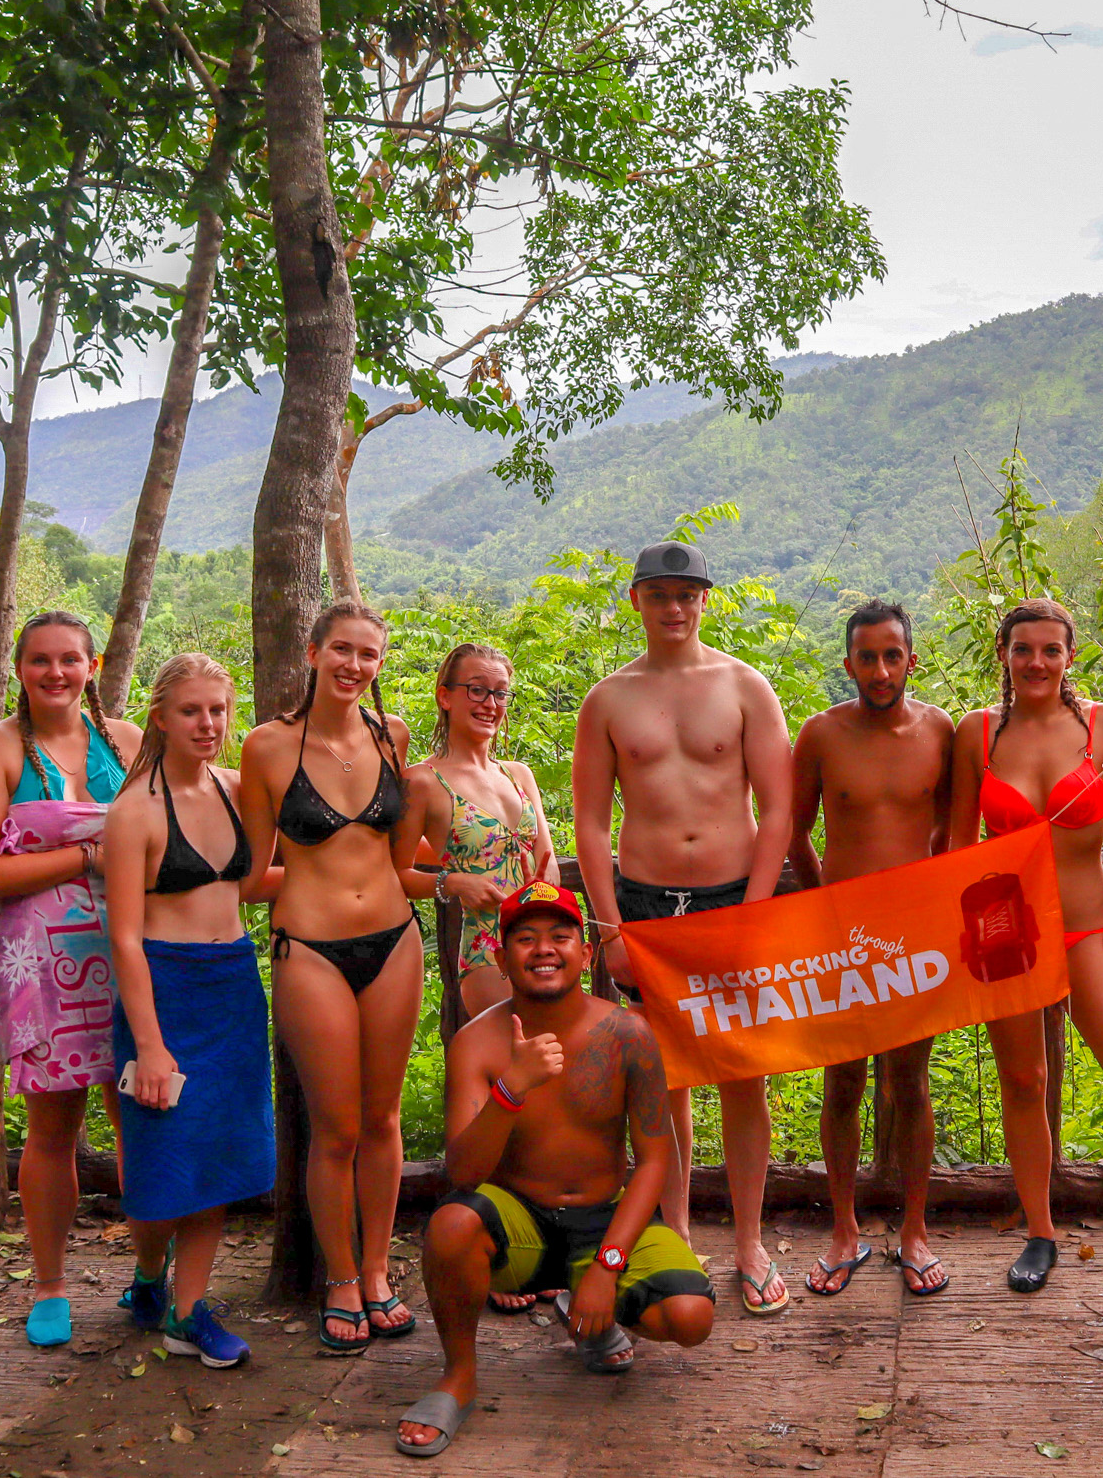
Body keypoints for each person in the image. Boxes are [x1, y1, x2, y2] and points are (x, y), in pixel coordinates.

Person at [396, 881, 715, 1458]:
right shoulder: (475, 1043)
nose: (544, 949)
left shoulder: (628, 1034)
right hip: (520, 1221)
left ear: (585, 953)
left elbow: (654, 1162)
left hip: (603, 1223)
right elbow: (464, 1175)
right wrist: (511, 1090)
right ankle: (459, 1376)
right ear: (501, 956)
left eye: (560, 936)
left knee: (690, 1317)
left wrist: (606, 1268)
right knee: (450, 1226)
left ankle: (589, 1308)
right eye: (526, 938)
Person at [947, 597, 1103, 1304]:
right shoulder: (977, 734)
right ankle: (1040, 1228)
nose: (1036, 662)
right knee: (1023, 1083)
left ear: (1070, 657)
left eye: (1050, 650)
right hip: (1005, 935)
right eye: (1023, 649)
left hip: (1088, 929)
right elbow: (956, 848)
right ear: (1003, 654)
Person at [574, 540, 793, 1314]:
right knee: (660, 1085)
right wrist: (608, 930)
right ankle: (674, 1234)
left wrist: (756, 911)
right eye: (660, 593)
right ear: (636, 599)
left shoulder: (745, 686)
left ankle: (749, 1242)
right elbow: (592, 824)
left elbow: (778, 808)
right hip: (642, 908)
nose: (674, 607)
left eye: (687, 594)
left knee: (742, 1077)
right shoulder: (608, 699)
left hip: (730, 899)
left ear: (706, 600)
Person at [239, 598, 437, 1352]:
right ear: (314, 652)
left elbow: (401, 860)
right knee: (337, 1127)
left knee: (383, 1119)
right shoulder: (267, 746)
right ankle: (341, 1279)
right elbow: (254, 873)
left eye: (370, 654)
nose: (357, 665)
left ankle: (381, 1270)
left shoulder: (394, 737)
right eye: (343, 649)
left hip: (394, 940)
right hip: (311, 948)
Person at [0, 610, 143, 1348]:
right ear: (21, 668)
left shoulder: (123, 742)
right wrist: (87, 858)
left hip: (129, 950)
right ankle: (50, 1282)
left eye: (70, 659)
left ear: (92, 666)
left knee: (137, 1115)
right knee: (53, 1128)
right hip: (38, 964)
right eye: (40, 660)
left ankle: (148, 1267)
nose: (55, 672)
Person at [104, 654, 274, 1368]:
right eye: (192, 711)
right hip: (163, 990)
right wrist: (148, 1043)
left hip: (233, 982)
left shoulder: (236, 790)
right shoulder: (134, 810)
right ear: (160, 716)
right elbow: (123, 935)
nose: (209, 724)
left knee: (221, 1161)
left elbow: (256, 882)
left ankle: (187, 1310)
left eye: (218, 710)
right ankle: (149, 1274)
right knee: (160, 1164)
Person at [785, 600, 956, 1299]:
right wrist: (830, 907)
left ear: (913, 659)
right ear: (848, 662)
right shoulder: (822, 734)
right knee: (844, 1082)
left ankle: (914, 1229)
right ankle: (846, 1230)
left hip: (915, 933)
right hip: (841, 934)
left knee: (910, 1082)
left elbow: (952, 828)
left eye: (893, 655)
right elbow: (796, 835)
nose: (881, 670)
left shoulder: (942, 730)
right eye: (867, 657)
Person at [403, 642, 560, 1023]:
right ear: (445, 696)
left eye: (500, 693)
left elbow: (547, 861)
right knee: (513, 1070)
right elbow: (393, 874)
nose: (490, 703)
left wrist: (542, 904)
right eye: (477, 690)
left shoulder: (518, 773)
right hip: (488, 949)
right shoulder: (423, 781)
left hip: (547, 941)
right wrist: (454, 883)